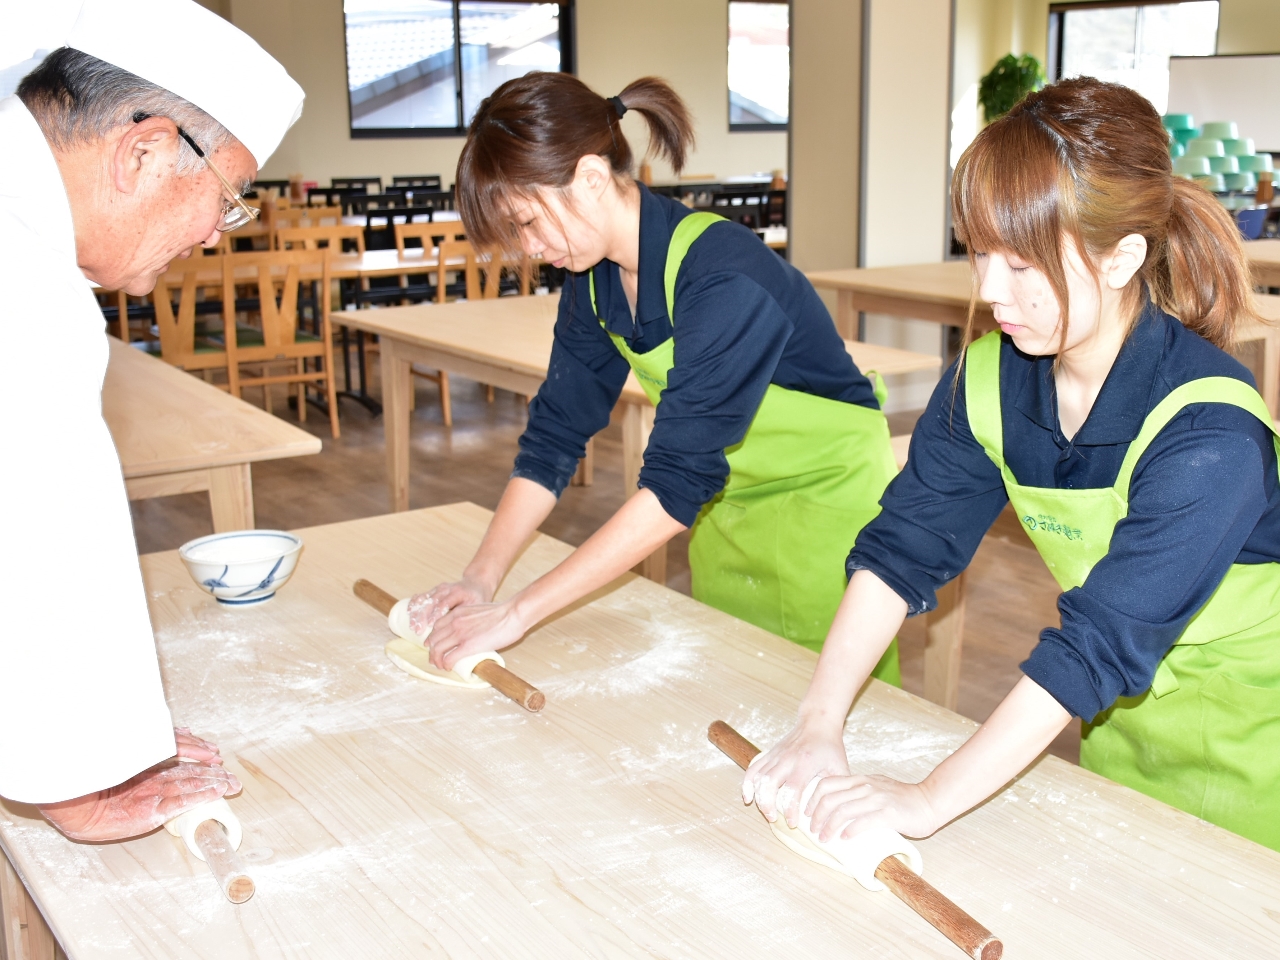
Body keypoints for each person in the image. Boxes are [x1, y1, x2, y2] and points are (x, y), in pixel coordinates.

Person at [742, 76, 1280, 853]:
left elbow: (1094, 644)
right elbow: (904, 549)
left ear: (1124, 256)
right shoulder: (990, 377)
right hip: (1123, 721)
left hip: (1259, 743)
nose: (992, 289)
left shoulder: (1209, 429)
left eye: (1024, 265)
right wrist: (817, 725)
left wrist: (924, 803)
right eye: (979, 252)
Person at [407, 73, 901, 685]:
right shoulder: (592, 280)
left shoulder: (723, 278)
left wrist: (515, 614)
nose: (528, 249)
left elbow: (673, 485)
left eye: (527, 223)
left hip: (827, 515)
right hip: (728, 508)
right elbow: (554, 437)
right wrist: (479, 579)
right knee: (731, 684)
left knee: (822, 716)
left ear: (590, 178)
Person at [0, 0, 303, 841]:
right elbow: (33, 540)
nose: (214, 234)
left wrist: (111, 734)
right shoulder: (19, 284)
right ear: (144, 151)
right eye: (229, 199)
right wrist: (77, 775)